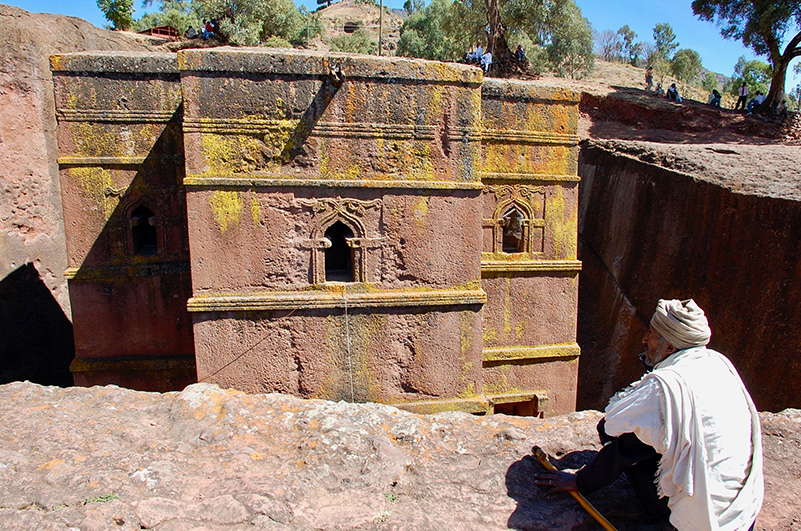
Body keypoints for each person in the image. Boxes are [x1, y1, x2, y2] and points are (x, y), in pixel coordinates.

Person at [535, 299, 763, 531]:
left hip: (705, 519)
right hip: (742, 512)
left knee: (635, 442)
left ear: (671, 348)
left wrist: (578, 481)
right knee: (650, 435)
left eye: (651, 334)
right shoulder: (718, 362)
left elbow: (616, 433)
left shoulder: (666, 387)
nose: (645, 339)